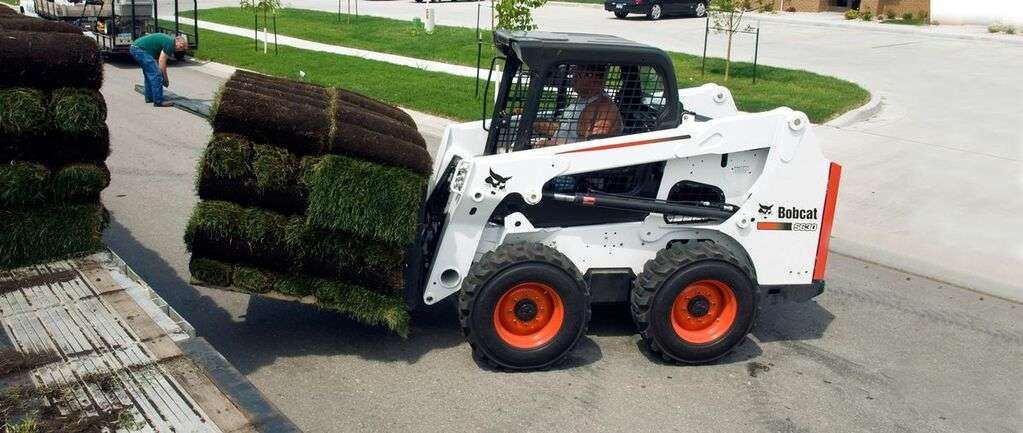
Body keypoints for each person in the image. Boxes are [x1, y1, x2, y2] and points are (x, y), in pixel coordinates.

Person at [534, 64, 624, 148]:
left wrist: (552, 145)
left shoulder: (603, 109)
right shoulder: (582, 101)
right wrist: (537, 125)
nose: (573, 79)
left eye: (577, 75)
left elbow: (593, 147)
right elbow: (568, 129)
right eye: (573, 74)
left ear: (592, 77)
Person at [129, 33, 187, 107]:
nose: (179, 49)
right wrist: (165, 79)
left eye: (182, 49)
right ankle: (158, 101)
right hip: (139, 50)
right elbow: (162, 62)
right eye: (181, 46)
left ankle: (150, 97)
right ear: (177, 41)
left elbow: (158, 58)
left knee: (149, 74)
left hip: (136, 48)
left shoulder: (168, 41)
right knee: (156, 75)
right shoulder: (170, 43)